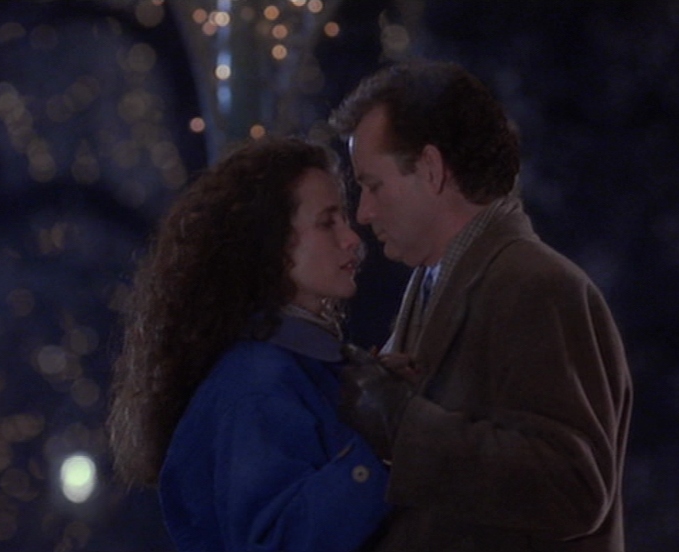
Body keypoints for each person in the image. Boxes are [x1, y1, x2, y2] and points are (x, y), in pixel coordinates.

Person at [329, 59, 633, 551]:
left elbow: (573, 487)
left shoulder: (537, 285)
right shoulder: (435, 281)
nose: (363, 212)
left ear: (431, 169)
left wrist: (402, 423)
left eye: (373, 185)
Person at [107, 136, 391, 551]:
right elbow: (276, 542)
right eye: (327, 222)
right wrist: (378, 447)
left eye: (343, 218)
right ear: (272, 244)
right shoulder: (258, 382)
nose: (352, 238)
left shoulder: (297, 366)